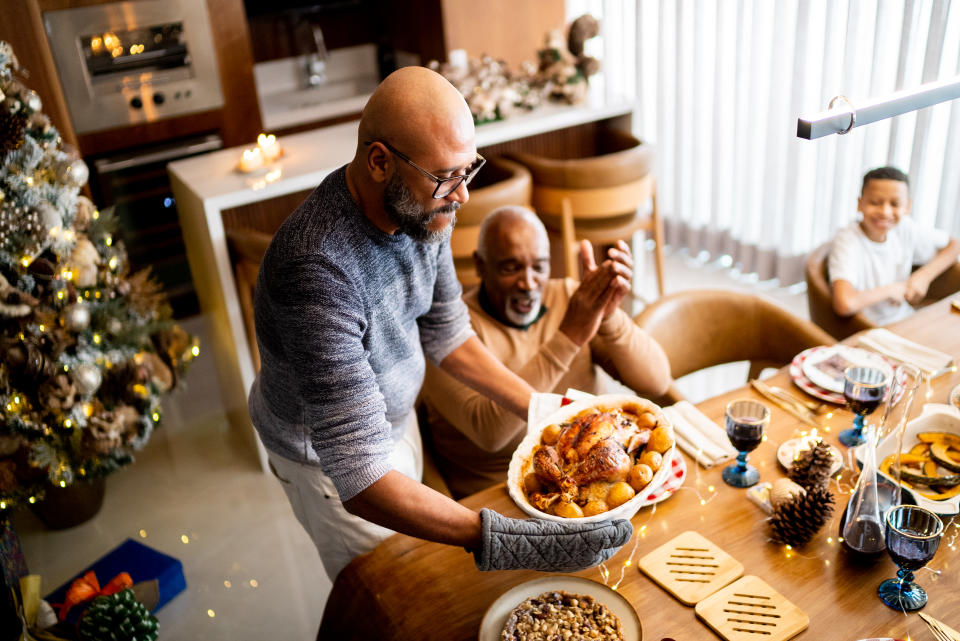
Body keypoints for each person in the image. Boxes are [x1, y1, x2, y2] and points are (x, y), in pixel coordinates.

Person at [247, 66, 632, 582]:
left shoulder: (422, 207)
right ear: (379, 161)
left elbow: (447, 332)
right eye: (447, 176)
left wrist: (540, 409)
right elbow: (361, 478)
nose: (463, 194)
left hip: (393, 418)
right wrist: (504, 540)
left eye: (468, 170)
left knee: (422, 572)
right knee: (393, 596)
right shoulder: (316, 269)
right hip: (326, 463)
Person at [421, 206, 672, 498]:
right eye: (510, 268)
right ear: (480, 265)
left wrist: (609, 316)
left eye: (539, 267)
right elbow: (491, 433)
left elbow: (657, 382)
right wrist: (569, 337)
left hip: (598, 485)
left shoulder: (570, 297)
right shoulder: (445, 332)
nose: (528, 284)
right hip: (495, 496)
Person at [829, 166, 960, 325]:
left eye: (895, 204)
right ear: (860, 203)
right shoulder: (847, 240)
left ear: (907, 207)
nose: (885, 212)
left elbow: (955, 244)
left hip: (907, 318)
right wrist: (891, 290)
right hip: (870, 328)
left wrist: (923, 276)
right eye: (875, 202)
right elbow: (845, 303)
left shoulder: (905, 228)